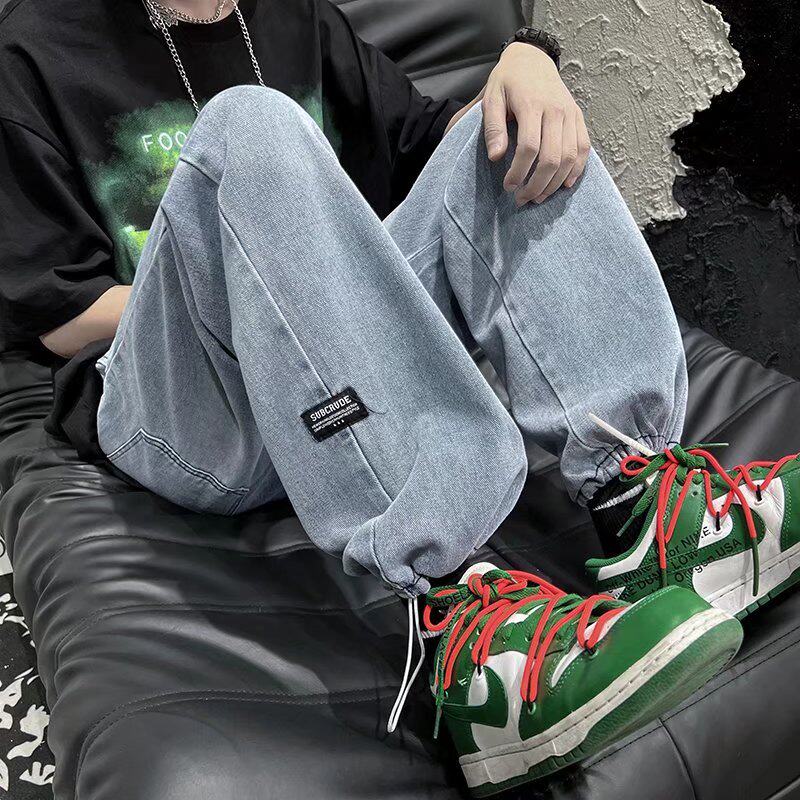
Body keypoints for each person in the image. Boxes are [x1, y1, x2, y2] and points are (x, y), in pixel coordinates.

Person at [0, 0, 796, 794]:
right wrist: (279, 286)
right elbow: (61, 315)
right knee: (249, 120)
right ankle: (472, 642)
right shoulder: (36, 48)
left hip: (331, 394)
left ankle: (645, 503)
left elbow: (433, 144)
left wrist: (528, 63)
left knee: (500, 133)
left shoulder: (292, 16)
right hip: (184, 413)